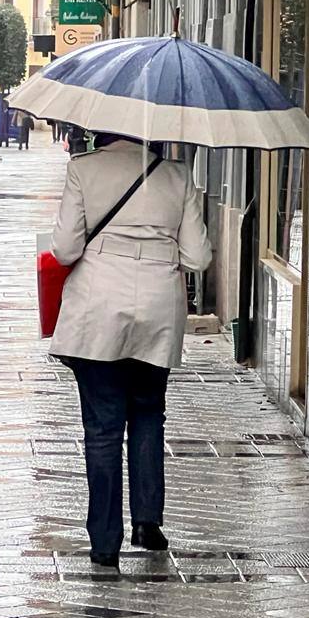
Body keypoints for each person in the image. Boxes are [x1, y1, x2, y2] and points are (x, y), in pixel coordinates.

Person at [49, 133, 212, 569]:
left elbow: (64, 248)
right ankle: (148, 523)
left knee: (103, 428)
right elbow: (198, 257)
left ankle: (105, 543)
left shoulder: (83, 168)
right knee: (147, 412)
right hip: (158, 309)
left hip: (98, 307)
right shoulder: (176, 174)